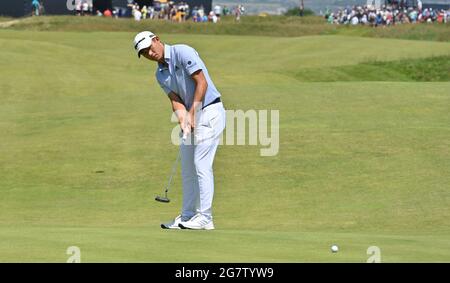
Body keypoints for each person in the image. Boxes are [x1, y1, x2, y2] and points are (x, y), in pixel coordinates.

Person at [133, 31, 226, 230]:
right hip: (192, 115)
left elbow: (202, 82)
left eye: (150, 47)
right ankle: (187, 216)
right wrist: (183, 119)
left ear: (156, 39)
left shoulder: (182, 52)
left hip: (210, 111)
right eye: (145, 53)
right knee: (188, 169)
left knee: (201, 165)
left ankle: (206, 217)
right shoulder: (160, 74)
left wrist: (193, 112)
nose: (150, 53)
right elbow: (175, 99)